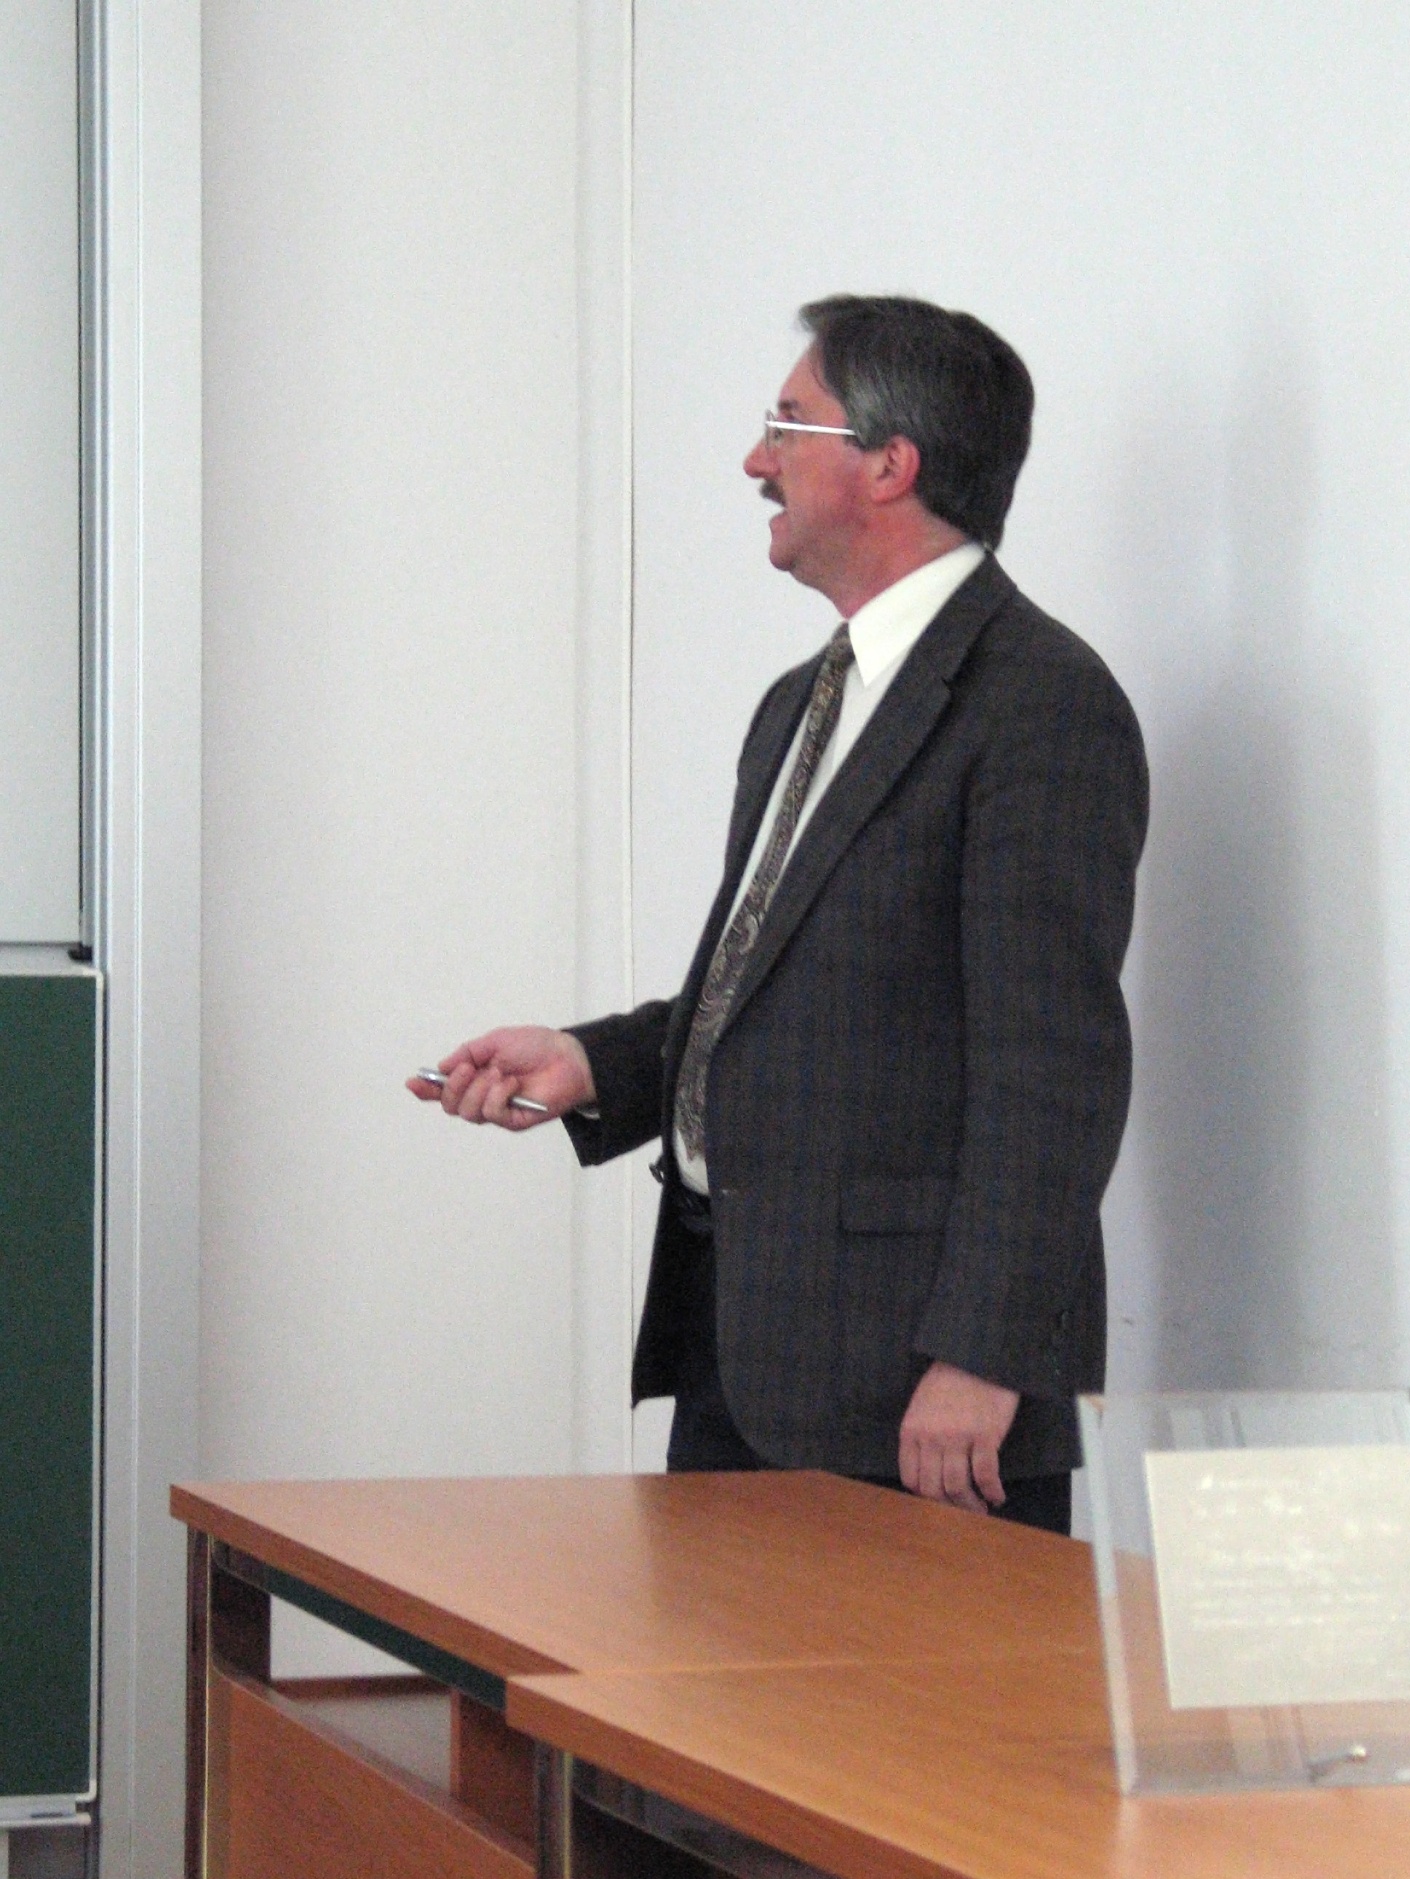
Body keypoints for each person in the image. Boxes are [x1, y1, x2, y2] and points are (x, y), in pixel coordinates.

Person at [410, 294, 1147, 1531]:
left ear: (888, 464)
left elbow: (1052, 1069)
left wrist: (982, 1354)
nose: (755, 460)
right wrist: (595, 1062)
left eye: (785, 424)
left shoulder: (1040, 704)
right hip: (735, 1351)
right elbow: (774, 988)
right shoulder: (800, 700)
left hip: (915, 1395)